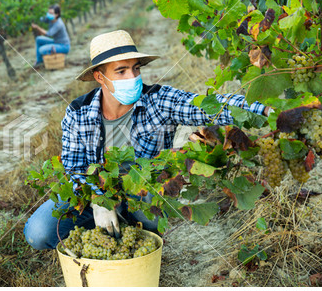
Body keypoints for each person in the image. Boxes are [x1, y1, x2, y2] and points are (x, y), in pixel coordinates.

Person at [24, 30, 273, 250]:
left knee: (153, 221)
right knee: (38, 233)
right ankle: (100, 226)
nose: (132, 77)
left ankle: (123, 228)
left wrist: (262, 110)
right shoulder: (78, 112)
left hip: (141, 191)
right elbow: (74, 167)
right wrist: (99, 201)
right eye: (120, 71)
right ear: (100, 77)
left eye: (135, 68)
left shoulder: (158, 100)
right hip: (94, 192)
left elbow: (207, 106)